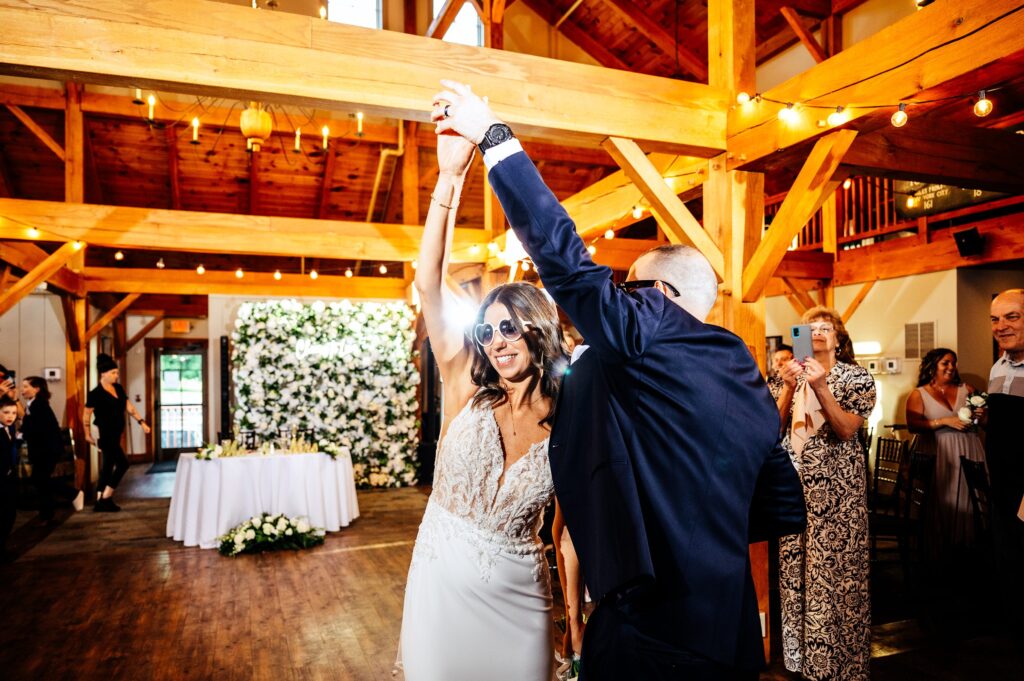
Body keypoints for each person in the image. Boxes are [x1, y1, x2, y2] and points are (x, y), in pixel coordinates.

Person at [433, 80, 806, 681]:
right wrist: (700, 530)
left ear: (658, 296)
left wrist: (495, 138)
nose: (620, 305)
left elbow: (570, 267)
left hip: (646, 625)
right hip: (729, 627)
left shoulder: (651, 323)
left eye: (628, 289)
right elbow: (783, 505)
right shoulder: (743, 368)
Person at [397, 121, 570, 681]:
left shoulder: (569, 413)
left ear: (538, 332)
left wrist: (576, 611)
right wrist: (449, 179)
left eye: (511, 329)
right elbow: (429, 282)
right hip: (440, 589)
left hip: (522, 599)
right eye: (489, 331)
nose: (497, 341)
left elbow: (569, 527)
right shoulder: (464, 387)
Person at [772, 306, 875, 681]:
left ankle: (842, 665)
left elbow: (848, 430)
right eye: (809, 327)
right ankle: (802, 661)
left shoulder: (856, 378)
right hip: (794, 492)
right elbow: (772, 428)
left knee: (837, 577)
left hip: (838, 497)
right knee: (796, 575)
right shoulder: (788, 377)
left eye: (824, 328)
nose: (815, 332)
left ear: (838, 338)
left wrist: (819, 385)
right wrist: (787, 386)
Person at [905, 348, 985, 550]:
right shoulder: (918, 394)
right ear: (933, 366)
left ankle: (969, 549)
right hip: (939, 451)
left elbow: (981, 422)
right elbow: (914, 425)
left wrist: (980, 416)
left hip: (969, 448)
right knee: (942, 499)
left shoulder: (966, 389)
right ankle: (940, 552)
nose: (951, 367)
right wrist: (944, 421)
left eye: (954, 363)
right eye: (946, 363)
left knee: (970, 499)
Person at [985, 288, 1024, 631]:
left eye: (1012, 317)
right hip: (1002, 489)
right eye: (995, 319)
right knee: (1011, 579)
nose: (1001, 326)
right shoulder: (998, 367)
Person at [84, 354, 150, 512]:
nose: (116, 375)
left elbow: (129, 407)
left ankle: (101, 500)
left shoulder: (118, 388)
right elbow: (86, 414)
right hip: (104, 434)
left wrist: (141, 422)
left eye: (117, 372)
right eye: (113, 373)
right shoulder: (95, 393)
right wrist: (87, 434)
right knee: (122, 464)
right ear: (103, 374)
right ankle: (106, 496)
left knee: (107, 465)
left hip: (116, 433)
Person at [22, 376, 84, 520]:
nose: (22, 390)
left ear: (36, 389)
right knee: (41, 481)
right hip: (44, 449)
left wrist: (22, 433)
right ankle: (47, 514)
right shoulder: (33, 403)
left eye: (26, 386)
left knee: (40, 479)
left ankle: (72, 494)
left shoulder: (39, 404)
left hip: (46, 450)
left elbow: (37, 427)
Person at [0, 396, 20, 562]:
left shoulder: (10, 428)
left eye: (13, 413)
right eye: (6, 412)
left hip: (10, 477)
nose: (10, 416)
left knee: (10, 513)